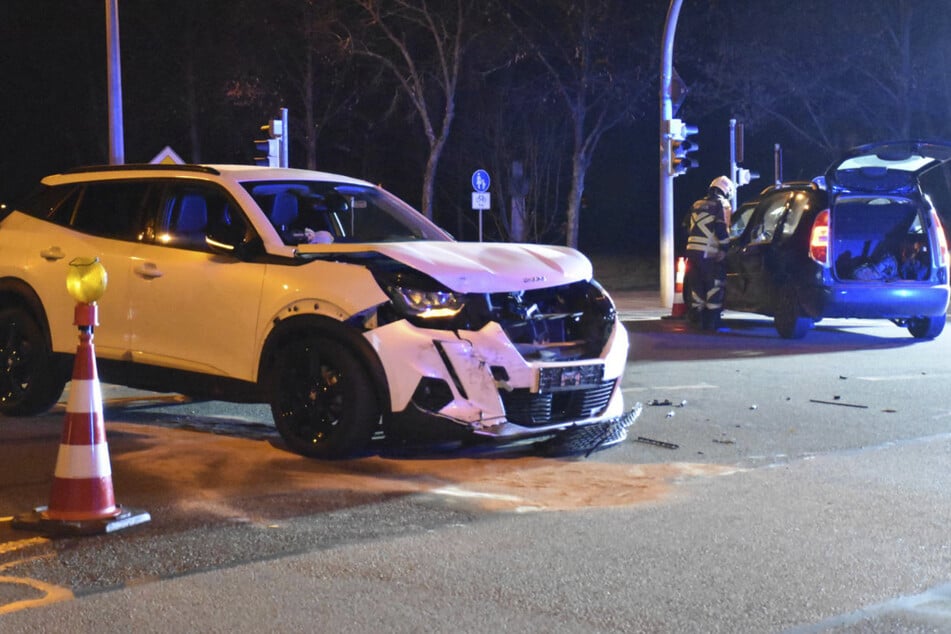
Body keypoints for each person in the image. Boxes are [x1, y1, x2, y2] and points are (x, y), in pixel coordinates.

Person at [685, 176, 734, 331]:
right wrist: (725, 248)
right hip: (709, 252)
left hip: (692, 251)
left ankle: (697, 320)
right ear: (726, 190)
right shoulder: (722, 204)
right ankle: (712, 322)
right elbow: (721, 229)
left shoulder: (697, 204)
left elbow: (687, 225)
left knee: (697, 285)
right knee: (714, 284)